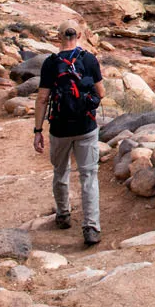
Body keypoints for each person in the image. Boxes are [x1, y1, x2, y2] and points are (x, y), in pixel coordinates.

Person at [33, 26, 104, 245]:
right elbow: (100, 93)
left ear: (58, 37)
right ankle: (91, 227)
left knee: (60, 171)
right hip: (86, 127)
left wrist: (37, 131)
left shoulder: (50, 63)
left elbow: (42, 98)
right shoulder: (89, 60)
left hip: (59, 128)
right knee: (89, 176)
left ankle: (63, 214)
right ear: (80, 36)